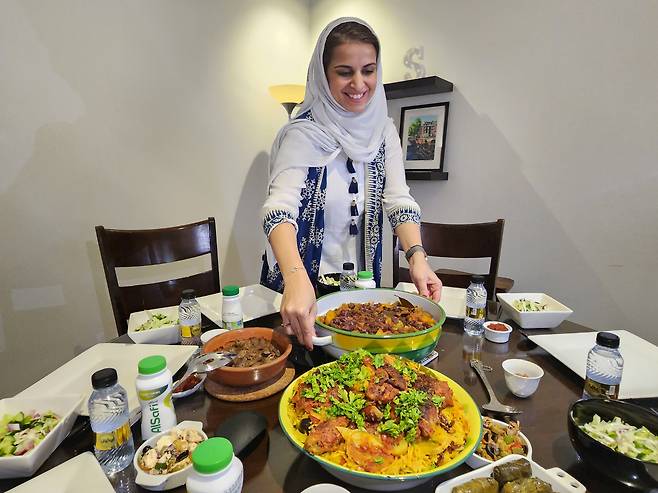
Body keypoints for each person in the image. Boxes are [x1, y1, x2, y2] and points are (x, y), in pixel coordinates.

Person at [260, 17, 442, 349]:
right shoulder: (302, 133)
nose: (359, 83)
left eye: (368, 70)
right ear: (323, 74)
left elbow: (399, 199)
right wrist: (296, 278)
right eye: (345, 71)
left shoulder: (383, 131)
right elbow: (278, 211)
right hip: (301, 290)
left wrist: (417, 256)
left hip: (362, 290)